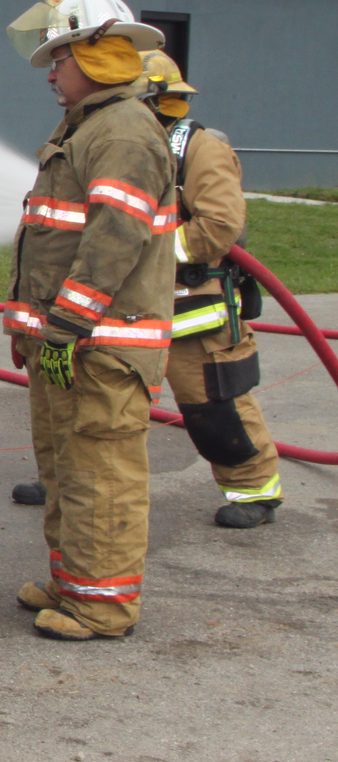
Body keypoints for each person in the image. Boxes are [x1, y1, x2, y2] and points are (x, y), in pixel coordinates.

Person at [3, 0, 175, 642]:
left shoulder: (125, 133)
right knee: (64, 465)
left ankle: (102, 604)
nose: (50, 71)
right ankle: (74, 582)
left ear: (97, 56)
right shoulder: (84, 126)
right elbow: (52, 238)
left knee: (101, 471)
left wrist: (67, 326)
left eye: (60, 57)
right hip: (70, 340)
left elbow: (112, 241)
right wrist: (32, 328)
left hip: (102, 343)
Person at [143, 51, 283, 528]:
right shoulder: (117, 145)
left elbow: (219, 225)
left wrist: (148, 254)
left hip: (192, 304)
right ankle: (69, 481)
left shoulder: (199, 148)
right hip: (121, 303)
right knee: (93, 398)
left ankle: (254, 492)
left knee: (213, 405)